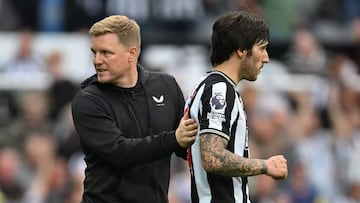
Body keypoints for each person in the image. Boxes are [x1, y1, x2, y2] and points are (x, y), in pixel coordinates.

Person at [71, 15, 198, 203]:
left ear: (131, 53)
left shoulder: (166, 86)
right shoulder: (88, 101)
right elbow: (120, 152)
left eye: (106, 53)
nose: (97, 60)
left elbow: (186, 146)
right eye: (94, 52)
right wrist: (173, 139)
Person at [185, 10, 288, 203]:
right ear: (241, 50)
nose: (266, 58)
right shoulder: (220, 90)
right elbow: (212, 157)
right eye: (262, 48)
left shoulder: (206, 86)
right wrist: (265, 166)